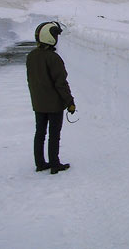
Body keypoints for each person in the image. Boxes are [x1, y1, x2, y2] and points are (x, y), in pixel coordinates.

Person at [26, 21, 76, 174]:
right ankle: (55, 164)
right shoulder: (53, 58)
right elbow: (61, 83)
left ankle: (40, 163)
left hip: (38, 103)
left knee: (40, 133)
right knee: (54, 135)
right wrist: (70, 102)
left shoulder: (31, 56)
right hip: (54, 105)